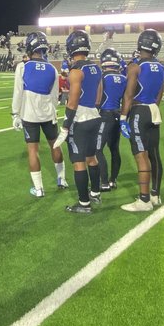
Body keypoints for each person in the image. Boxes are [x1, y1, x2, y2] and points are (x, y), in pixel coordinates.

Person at [11, 32, 67, 197]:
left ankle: (39, 189)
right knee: (55, 145)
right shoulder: (52, 69)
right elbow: (55, 96)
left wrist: (15, 113)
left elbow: (18, 92)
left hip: (29, 115)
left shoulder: (23, 66)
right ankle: (61, 179)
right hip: (49, 114)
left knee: (32, 151)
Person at [55, 31, 104, 214]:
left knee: (78, 161)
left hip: (80, 119)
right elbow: (99, 95)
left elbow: (73, 100)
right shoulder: (96, 67)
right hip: (94, 115)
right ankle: (96, 192)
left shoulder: (76, 71)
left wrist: (66, 126)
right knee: (92, 157)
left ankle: (84, 204)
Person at [120, 29, 164, 213]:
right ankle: (155, 194)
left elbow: (129, 95)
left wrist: (123, 118)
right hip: (154, 111)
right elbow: (159, 95)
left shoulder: (135, 66)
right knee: (154, 154)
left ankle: (144, 200)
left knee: (141, 155)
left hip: (139, 111)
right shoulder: (161, 67)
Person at [95, 48, 126, 192]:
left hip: (105, 115)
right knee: (114, 149)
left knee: (97, 149)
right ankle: (113, 180)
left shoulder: (102, 78)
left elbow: (98, 99)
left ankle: (104, 182)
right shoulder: (124, 78)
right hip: (118, 115)